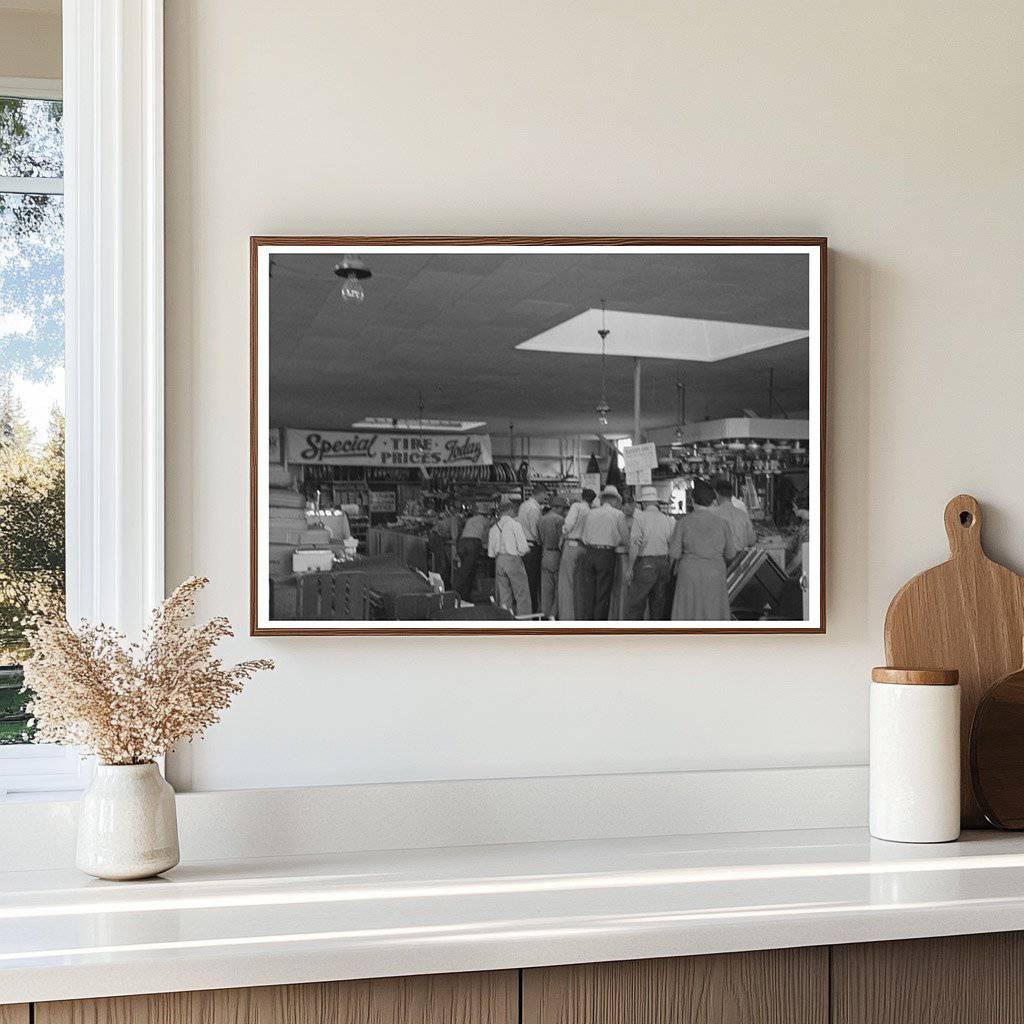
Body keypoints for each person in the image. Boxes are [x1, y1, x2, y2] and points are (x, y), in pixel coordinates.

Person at [668, 479, 737, 620]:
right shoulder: (723, 524)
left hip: (689, 573)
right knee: (713, 610)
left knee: (689, 610)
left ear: (692, 501)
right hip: (715, 572)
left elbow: (674, 553)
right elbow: (731, 553)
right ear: (713, 501)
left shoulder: (683, 523)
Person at [624, 485, 675, 620]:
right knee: (658, 605)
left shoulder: (640, 518)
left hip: (645, 564)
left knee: (635, 605)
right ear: (656, 502)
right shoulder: (668, 520)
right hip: (663, 563)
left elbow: (635, 544)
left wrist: (630, 568)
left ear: (643, 503)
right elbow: (672, 545)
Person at [576, 485, 625, 620]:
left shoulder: (590, 513)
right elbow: (625, 538)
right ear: (615, 500)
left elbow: (583, 536)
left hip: (589, 553)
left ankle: (588, 623)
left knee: (589, 593)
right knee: (602, 594)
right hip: (606, 555)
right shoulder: (618, 514)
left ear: (603, 499)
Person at [487, 498, 532, 616]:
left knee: (504, 594)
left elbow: (491, 553)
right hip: (513, 559)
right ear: (510, 510)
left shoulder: (493, 528)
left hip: (499, 561)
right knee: (521, 593)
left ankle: (506, 618)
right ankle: (524, 620)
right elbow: (523, 547)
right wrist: (526, 551)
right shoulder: (514, 525)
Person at [557, 487, 594, 620]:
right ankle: (580, 616)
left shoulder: (576, 506)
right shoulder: (591, 511)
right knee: (580, 584)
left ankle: (567, 617)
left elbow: (568, 524)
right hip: (584, 548)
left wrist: (563, 535)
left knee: (567, 584)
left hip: (571, 544)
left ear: (582, 496)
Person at [453, 501, 494, 600]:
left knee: (468, 568)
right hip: (473, 543)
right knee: (467, 570)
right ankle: (455, 592)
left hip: (462, 543)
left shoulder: (470, 520)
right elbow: (487, 537)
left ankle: (465, 595)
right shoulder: (486, 521)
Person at [537, 494, 568, 618]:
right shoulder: (559, 520)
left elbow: (539, 540)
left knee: (546, 589)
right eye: (563, 508)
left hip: (545, 554)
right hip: (556, 554)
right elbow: (560, 540)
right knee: (558, 588)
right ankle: (553, 614)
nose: (564, 511)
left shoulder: (541, 519)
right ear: (557, 507)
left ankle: (545, 614)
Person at [517, 484, 546, 611]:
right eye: (545, 494)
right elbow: (535, 530)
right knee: (533, 582)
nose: (546, 497)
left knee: (527, 580)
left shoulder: (524, 505)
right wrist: (542, 543)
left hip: (524, 546)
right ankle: (533, 611)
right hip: (532, 548)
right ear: (540, 493)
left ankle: (527, 610)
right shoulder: (534, 509)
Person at [608, 494, 635, 619]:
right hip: (624, 556)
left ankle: (620, 615)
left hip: (623, 555)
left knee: (621, 587)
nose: (628, 508)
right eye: (626, 505)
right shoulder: (623, 519)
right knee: (624, 587)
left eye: (630, 505)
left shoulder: (619, 518)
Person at [710, 478, 756, 552]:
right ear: (731, 494)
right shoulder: (743, 515)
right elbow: (752, 540)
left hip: (720, 557)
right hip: (741, 557)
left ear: (716, 494)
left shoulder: (712, 514)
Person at [427, 503, 462, 586]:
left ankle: (438, 583)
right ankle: (443, 584)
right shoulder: (454, 519)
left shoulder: (448, 518)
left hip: (433, 536)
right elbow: (454, 536)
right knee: (442, 562)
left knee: (439, 561)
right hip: (437, 538)